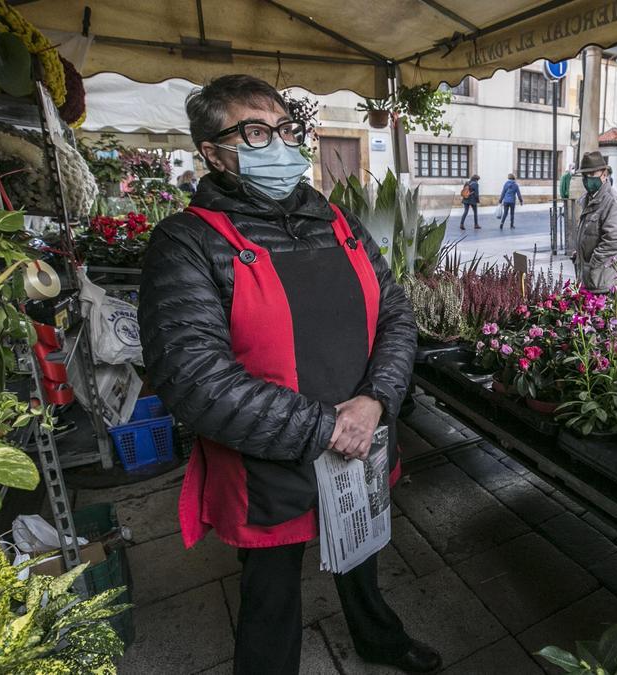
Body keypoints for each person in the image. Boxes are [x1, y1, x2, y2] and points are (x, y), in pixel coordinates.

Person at [137, 74, 439, 675]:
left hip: (363, 434)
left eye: (283, 129)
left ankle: (378, 638)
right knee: (270, 594)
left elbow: (397, 315)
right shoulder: (188, 242)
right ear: (213, 151)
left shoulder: (338, 222)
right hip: (269, 459)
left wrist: (375, 401)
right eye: (254, 131)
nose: (277, 143)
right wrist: (327, 427)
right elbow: (193, 377)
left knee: (360, 549)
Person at [571, 151, 617, 293]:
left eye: (591, 175)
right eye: (584, 176)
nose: (587, 179)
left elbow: (613, 241)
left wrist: (592, 264)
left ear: (604, 174)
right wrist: (580, 256)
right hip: (587, 279)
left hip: (601, 281)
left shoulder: (612, 201)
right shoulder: (588, 199)